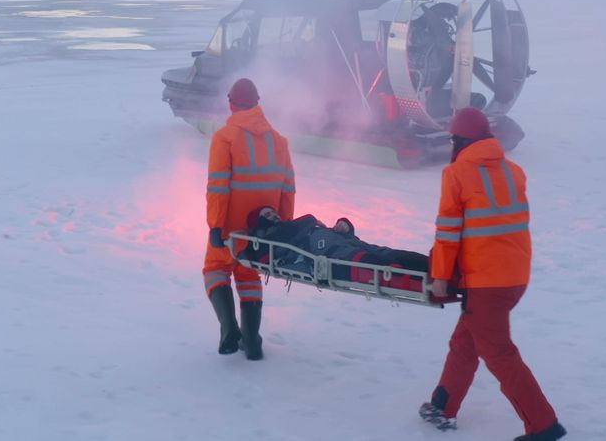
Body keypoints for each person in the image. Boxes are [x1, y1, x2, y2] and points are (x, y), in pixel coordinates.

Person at [419, 108, 567, 441]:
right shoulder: (514, 171)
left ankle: (543, 426)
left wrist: (440, 277)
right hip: (515, 277)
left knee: (499, 354)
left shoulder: (456, 173)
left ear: (459, 140)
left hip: (486, 282)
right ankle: (442, 405)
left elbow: (448, 233)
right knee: (465, 341)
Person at [204, 78, 294, 361]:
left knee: (215, 269)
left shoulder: (224, 137)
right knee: (248, 273)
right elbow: (288, 188)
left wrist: (215, 225)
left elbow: (218, 187)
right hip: (264, 226)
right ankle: (252, 341)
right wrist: (284, 228)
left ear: (231, 103)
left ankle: (229, 329)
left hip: (230, 226)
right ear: (257, 103)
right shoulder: (279, 140)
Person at [243, 206, 431, 291]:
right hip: (335, 256)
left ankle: (439, 267)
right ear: (258, 223)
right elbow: (308, 219)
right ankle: (428, 281)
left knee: (392, 254)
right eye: (267, 214)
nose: (274, 215)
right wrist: (310, 221)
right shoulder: (268, 243)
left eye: (273, 212)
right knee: (380, 264)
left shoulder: (294, 227)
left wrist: (344, 226)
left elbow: (313, 223)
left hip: (349, 244)